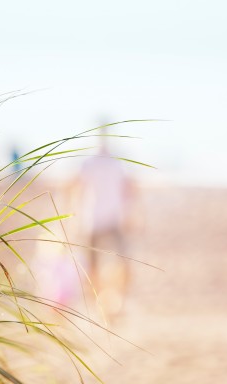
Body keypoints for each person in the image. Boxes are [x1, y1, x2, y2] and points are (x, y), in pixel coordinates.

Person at [76, 128, 135, 316]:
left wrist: (131, 212)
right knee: (92, 266)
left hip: (111, 220)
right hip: (93, 220)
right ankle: (98, 303)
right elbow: (77, 187)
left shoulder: (115, 161)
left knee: (123, 263)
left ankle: (118, 302)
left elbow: (129, 187)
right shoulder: (90, 162)